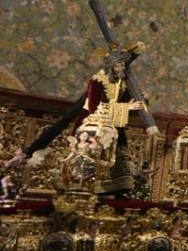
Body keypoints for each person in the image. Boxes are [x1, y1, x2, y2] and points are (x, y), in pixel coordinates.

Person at [4, 44, 147, 193]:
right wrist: (29, 152)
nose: (121, 68)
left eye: (123, 65)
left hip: (113, 134)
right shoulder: (98, 83)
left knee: (118, 179)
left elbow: (130, 108)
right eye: (118, 64)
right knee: (83, 181)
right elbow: (75, 116)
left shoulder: (123, 84)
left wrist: (139, 102)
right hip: (92, 132)